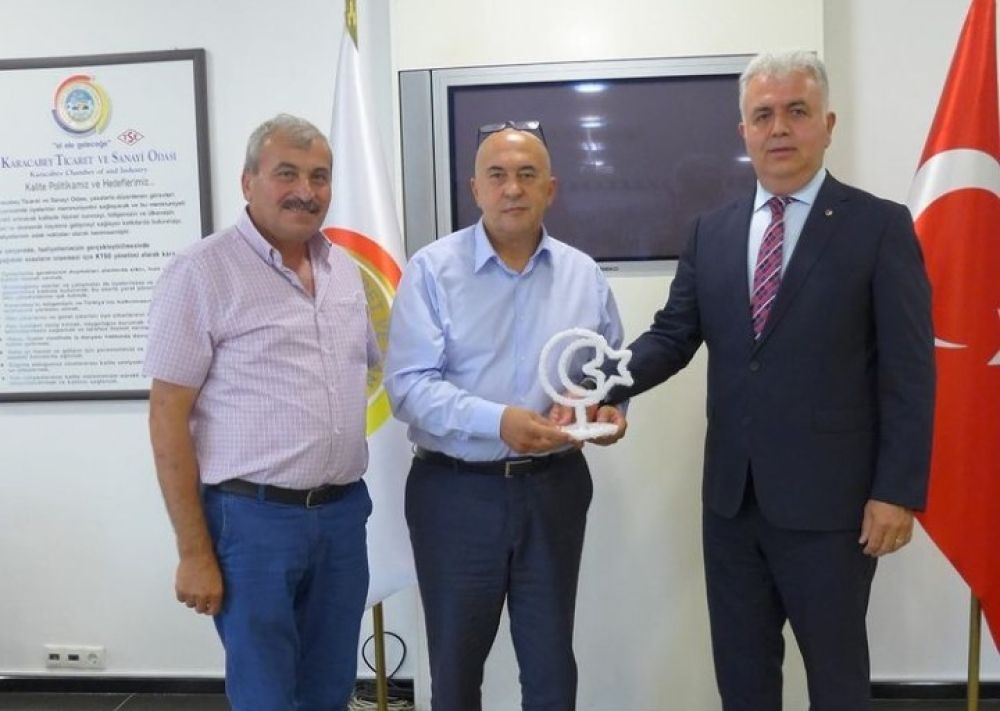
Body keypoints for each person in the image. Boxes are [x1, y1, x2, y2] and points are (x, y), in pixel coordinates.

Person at [581, 51, 935, 709]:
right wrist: (594, 383)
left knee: (837, 681)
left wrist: (897, 491)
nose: (779, 128)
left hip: (833, 510)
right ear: (742, 130)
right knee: (743, 680)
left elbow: (909, 371)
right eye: (763, 115)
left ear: (827, 124)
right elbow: (672, 336)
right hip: (731, 504)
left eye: (796, 111)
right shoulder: (711, 231)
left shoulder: (879, 227)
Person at [384, 121, 624, 711]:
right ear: (475, 188)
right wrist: (499, 422)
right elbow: (408, 389)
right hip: (455, 495)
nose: (512, 188)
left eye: (526, 175)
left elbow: (609, 371)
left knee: (551, 665)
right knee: (456, 668)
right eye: (497, 175)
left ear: (551, 188)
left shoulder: (583, 275)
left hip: (554, 490)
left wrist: (607, 410)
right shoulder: (432, 270)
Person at [144, 114, 379, 711]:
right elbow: (167, 414)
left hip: (342, 516)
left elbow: (380, 369)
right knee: (266, 696)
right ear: (248, 182)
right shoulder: (201, 271)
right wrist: (194, 552)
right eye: (286, 174)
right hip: (252, 523)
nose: (306, 190)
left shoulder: (343, 270)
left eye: (319, 176)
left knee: (329, 690)